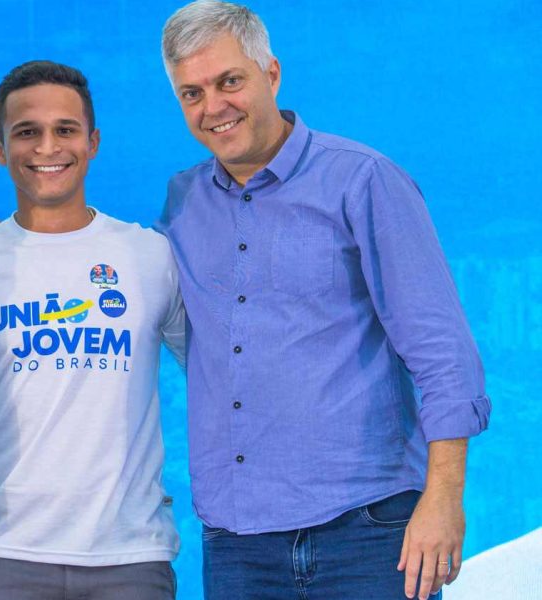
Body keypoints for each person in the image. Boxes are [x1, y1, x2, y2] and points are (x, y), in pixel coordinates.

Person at [156, 3, 491, 600]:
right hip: (237, 546)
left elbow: (442, 352)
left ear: (271, 73)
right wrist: (16, 238)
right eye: (191, 93)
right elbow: (107, 275)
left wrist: (443, 500)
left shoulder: (362, 180)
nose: (213, 107)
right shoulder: (182, 204)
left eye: (229, 81)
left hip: (370, 534)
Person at [0, 61, 185, 600]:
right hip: (5, 556)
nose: (47, 147)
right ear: (1, 149)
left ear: (92, 141)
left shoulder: (150, 255)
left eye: (65, 130)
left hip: (130, 557)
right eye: (26, 132)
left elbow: (223, 374)